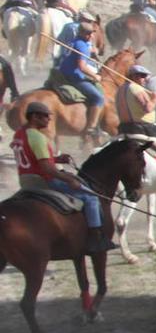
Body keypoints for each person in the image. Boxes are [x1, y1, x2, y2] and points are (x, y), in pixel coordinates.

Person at [11, 100, 113, 252]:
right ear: (34, 117)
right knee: (90, 197)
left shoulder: (19, 133)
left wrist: (57, 159)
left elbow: (32, 156)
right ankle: (95, 238)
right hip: (42, 180)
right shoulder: (37, 137)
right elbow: (48, 169)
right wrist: (69, 180)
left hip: (25, 179)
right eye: (45, 116)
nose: (49, 119)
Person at [59, 22, 107, 136]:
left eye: (91, 33)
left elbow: (81, 50)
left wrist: (92, 51)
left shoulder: (75, 42)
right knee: (98, 97)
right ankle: (92, 128)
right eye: (87, 34)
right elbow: (82, 67)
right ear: (80, 32)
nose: (90, 36)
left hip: (62, 73)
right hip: (74, 77)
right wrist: (95, 76)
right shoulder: (82, 46)